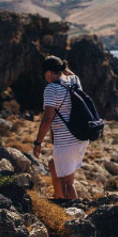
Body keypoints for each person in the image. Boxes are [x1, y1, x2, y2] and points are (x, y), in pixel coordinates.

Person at [34, 56, 89, 200]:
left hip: (66, 141)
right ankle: (59, 199)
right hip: (81, 137)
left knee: (68, 183)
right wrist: (62, 66)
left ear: (48, 72)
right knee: (53, 164)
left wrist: (38, 142)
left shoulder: (52, 88)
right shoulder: (74, 82)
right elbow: (71, 73)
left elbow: (47, 119)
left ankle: (73, 213)